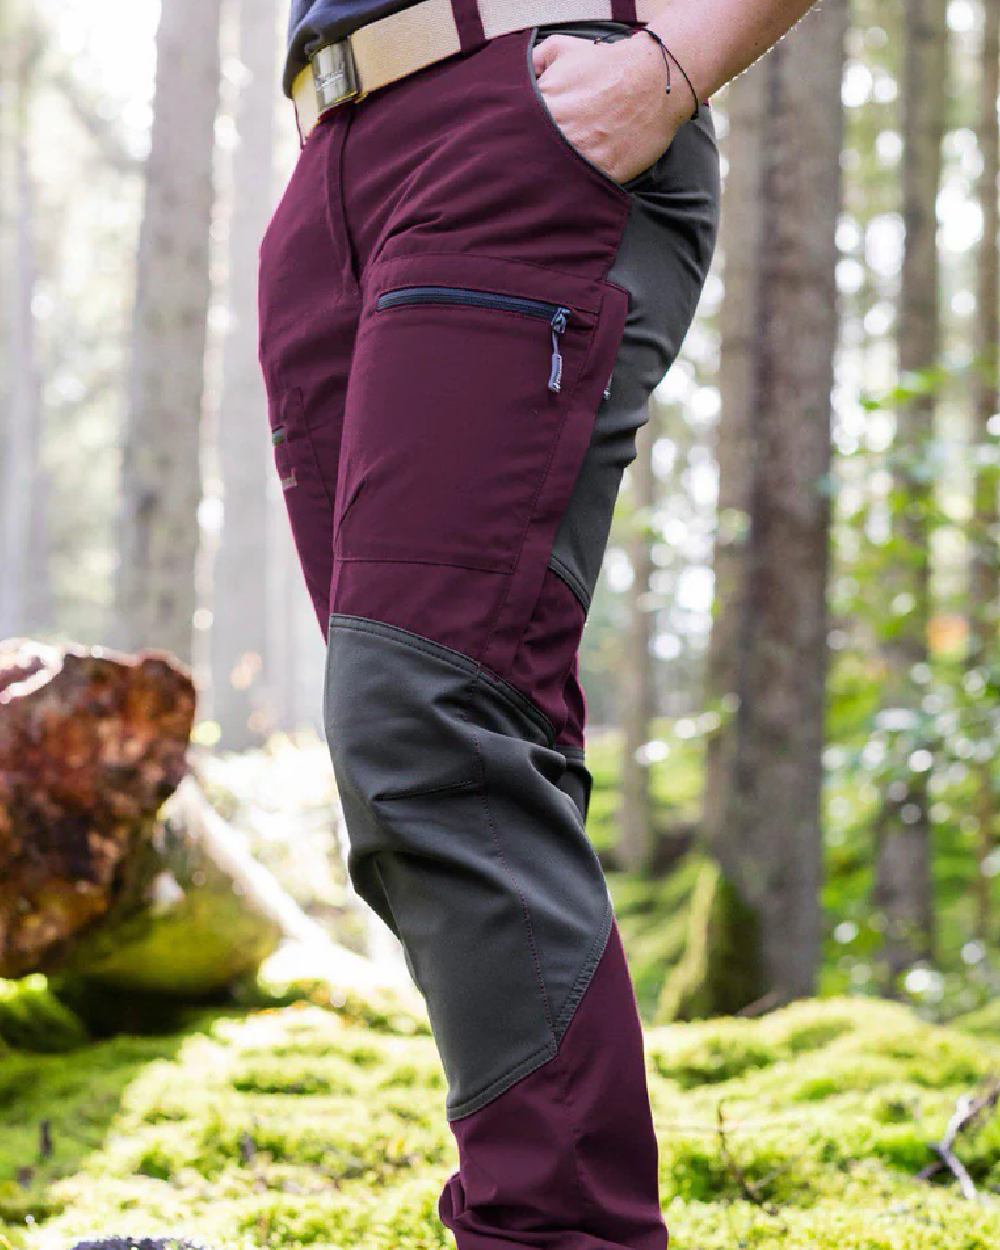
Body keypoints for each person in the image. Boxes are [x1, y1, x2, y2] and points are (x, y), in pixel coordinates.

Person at [257, 3, 816, 1246]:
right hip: (331, 163)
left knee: (431, 722)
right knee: (419, 751)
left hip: (526, 111)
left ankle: (559, 1228)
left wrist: (667, 69)